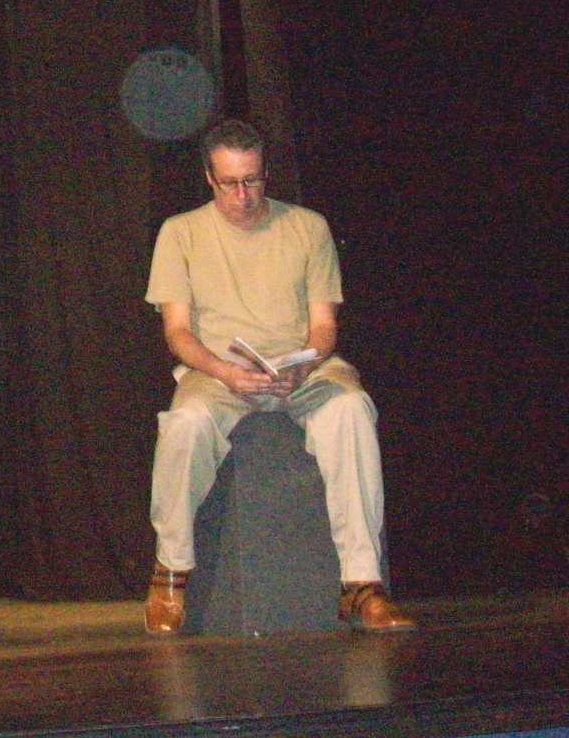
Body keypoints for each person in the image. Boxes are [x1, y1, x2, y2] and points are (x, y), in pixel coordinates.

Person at [142, 118, 414, 634]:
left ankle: (362, 584)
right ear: (209, 177)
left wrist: (303, 365)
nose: (242, 195)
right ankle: (170, 572)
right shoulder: (180, 233)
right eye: (229, 183)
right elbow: (177, 332)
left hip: (300, 368)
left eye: (252, 180)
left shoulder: (308, 227)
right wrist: (223, 370)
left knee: (352, 408)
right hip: (219, 372)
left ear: (266, 173)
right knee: (185, 424)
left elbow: (323, 327)